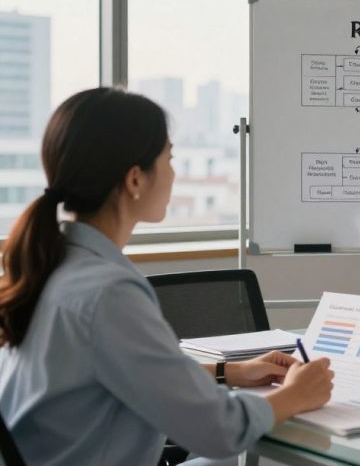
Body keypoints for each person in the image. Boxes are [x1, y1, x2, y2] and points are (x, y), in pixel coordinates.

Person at [0, 88, 334, 466]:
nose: (174, 173)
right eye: (170, 158)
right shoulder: (107, 293)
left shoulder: (55, 266)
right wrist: (297, 395)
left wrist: (232, 372)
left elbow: (126, 371)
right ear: (135, 180)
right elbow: (219, 431)